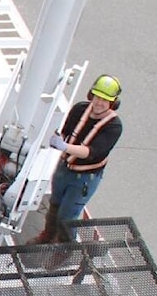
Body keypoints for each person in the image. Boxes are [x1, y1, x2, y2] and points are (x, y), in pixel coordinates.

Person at [29, 74, 123, 245]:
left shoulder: (114, 127)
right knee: (54, 206)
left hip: (84, 179)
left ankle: (64, 249)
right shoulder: (79, 109)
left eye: (105, 99)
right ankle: (47, 237)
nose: (99, 102)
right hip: (64, 169)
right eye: (97, 96)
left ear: (113, 102)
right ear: (91, 95)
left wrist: (64, 147)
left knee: (67, 217)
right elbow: (65, 132)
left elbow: (90, 152)